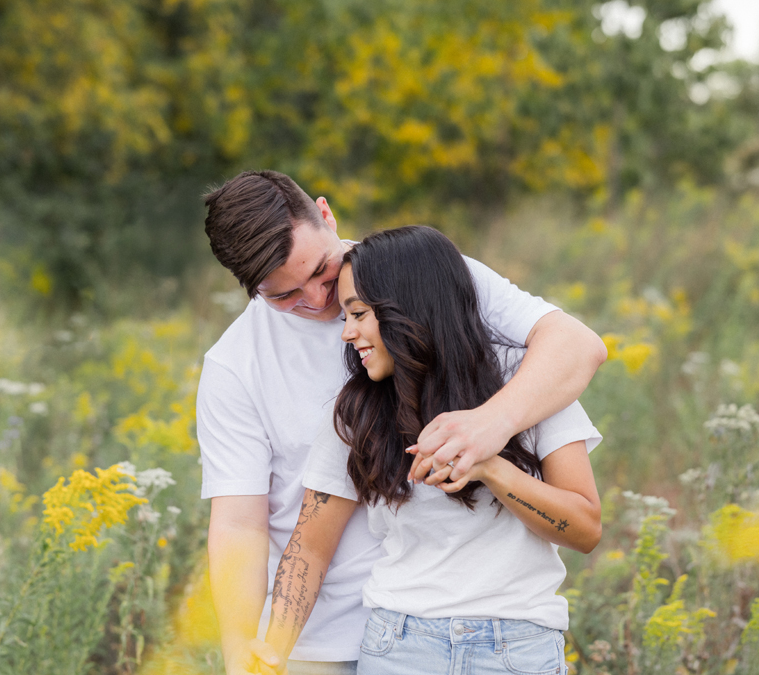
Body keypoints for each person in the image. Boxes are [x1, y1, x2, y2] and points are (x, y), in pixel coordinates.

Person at [198, 171, 607, 675]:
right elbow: (241, 523)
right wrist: (244, 644)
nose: (319, 300)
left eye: (322, 272)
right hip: (336, 641)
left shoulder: (433, 276)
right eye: (284, 295)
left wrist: (487, 433)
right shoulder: (246, 369)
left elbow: (579, 345)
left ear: (327, 216)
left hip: (509, 637)